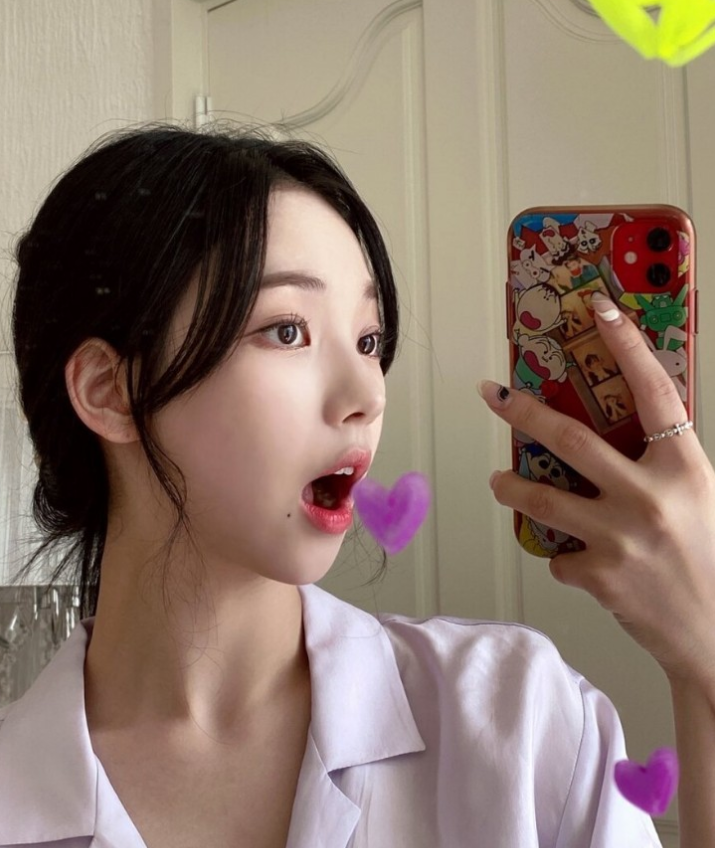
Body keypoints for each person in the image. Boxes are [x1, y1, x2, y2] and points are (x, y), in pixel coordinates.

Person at [0, 122, 712, 847]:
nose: (367, 396)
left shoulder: (519, 721)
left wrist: (703, 659)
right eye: (287, 331)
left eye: (369, 341)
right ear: (109, 390)